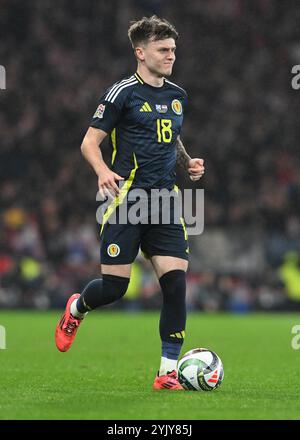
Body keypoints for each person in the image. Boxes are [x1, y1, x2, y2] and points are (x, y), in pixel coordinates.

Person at [55, 15, 204, 390]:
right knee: (114, 288)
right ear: (140, 53)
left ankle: (167, 372)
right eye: (163, 50)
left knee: (176, 284)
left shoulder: (177, 95)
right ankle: (77, 308)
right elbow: (89, 143)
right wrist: (102, 171)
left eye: (173, 49)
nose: (171, 55)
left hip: (166, 201)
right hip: (127, 200)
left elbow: (170, 138)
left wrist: (189, 163)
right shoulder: (122, 92)